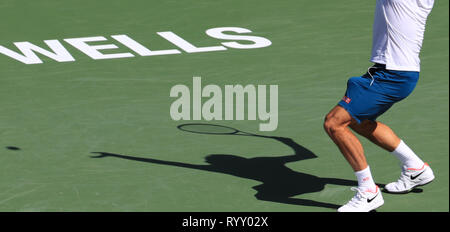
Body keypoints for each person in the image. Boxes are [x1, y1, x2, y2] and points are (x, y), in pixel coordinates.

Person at [323, 0, 436, 212]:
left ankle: (368, 192)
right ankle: (415, 168)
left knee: (334, 123)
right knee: (359, 121)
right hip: (398, 73)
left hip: (392, 75)